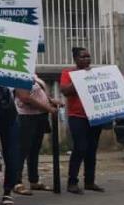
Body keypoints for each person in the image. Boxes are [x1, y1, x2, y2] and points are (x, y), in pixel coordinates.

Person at [60, 47, 105, 194]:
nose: (86, 59)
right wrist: (81, 78)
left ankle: (89, 181)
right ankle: (72, 182)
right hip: (77, 117)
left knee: (92, 149)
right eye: (83, 57)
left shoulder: (95, 74)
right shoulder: (68, 73)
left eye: (88, 57)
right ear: (75, 59)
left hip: (94, 116)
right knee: (80, 148)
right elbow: (65, 91)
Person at [14, 74, 60, 194]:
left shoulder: (33, 75)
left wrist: (50, 100)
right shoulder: (19, 76)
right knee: (22, 150)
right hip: (26, 117)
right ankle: (16, 182)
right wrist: (48, 108)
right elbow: (25, 98)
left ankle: (34, 180)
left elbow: (39, 94)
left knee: (34, 149)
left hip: (39, 116)